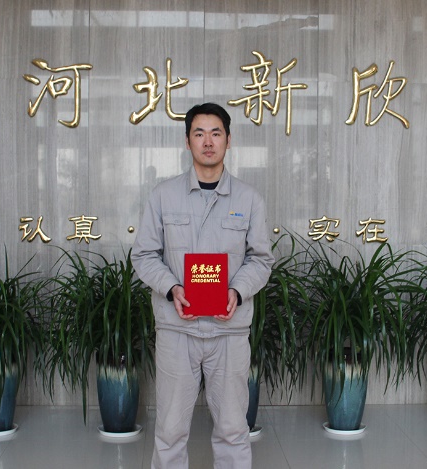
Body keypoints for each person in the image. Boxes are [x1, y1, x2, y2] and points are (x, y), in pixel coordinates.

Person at [131, 102, 274, 469]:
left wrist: (237, 291)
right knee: (170, 430)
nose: (208, 142)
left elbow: (261, 259)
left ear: (229, 140)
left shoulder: (249, 199)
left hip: (229, 332)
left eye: (215, 133)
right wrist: (171, 288)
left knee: (233, 429)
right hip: (177, 330)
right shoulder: (163, 196)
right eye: (199, 133)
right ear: (187, 141)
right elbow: (144, 255)